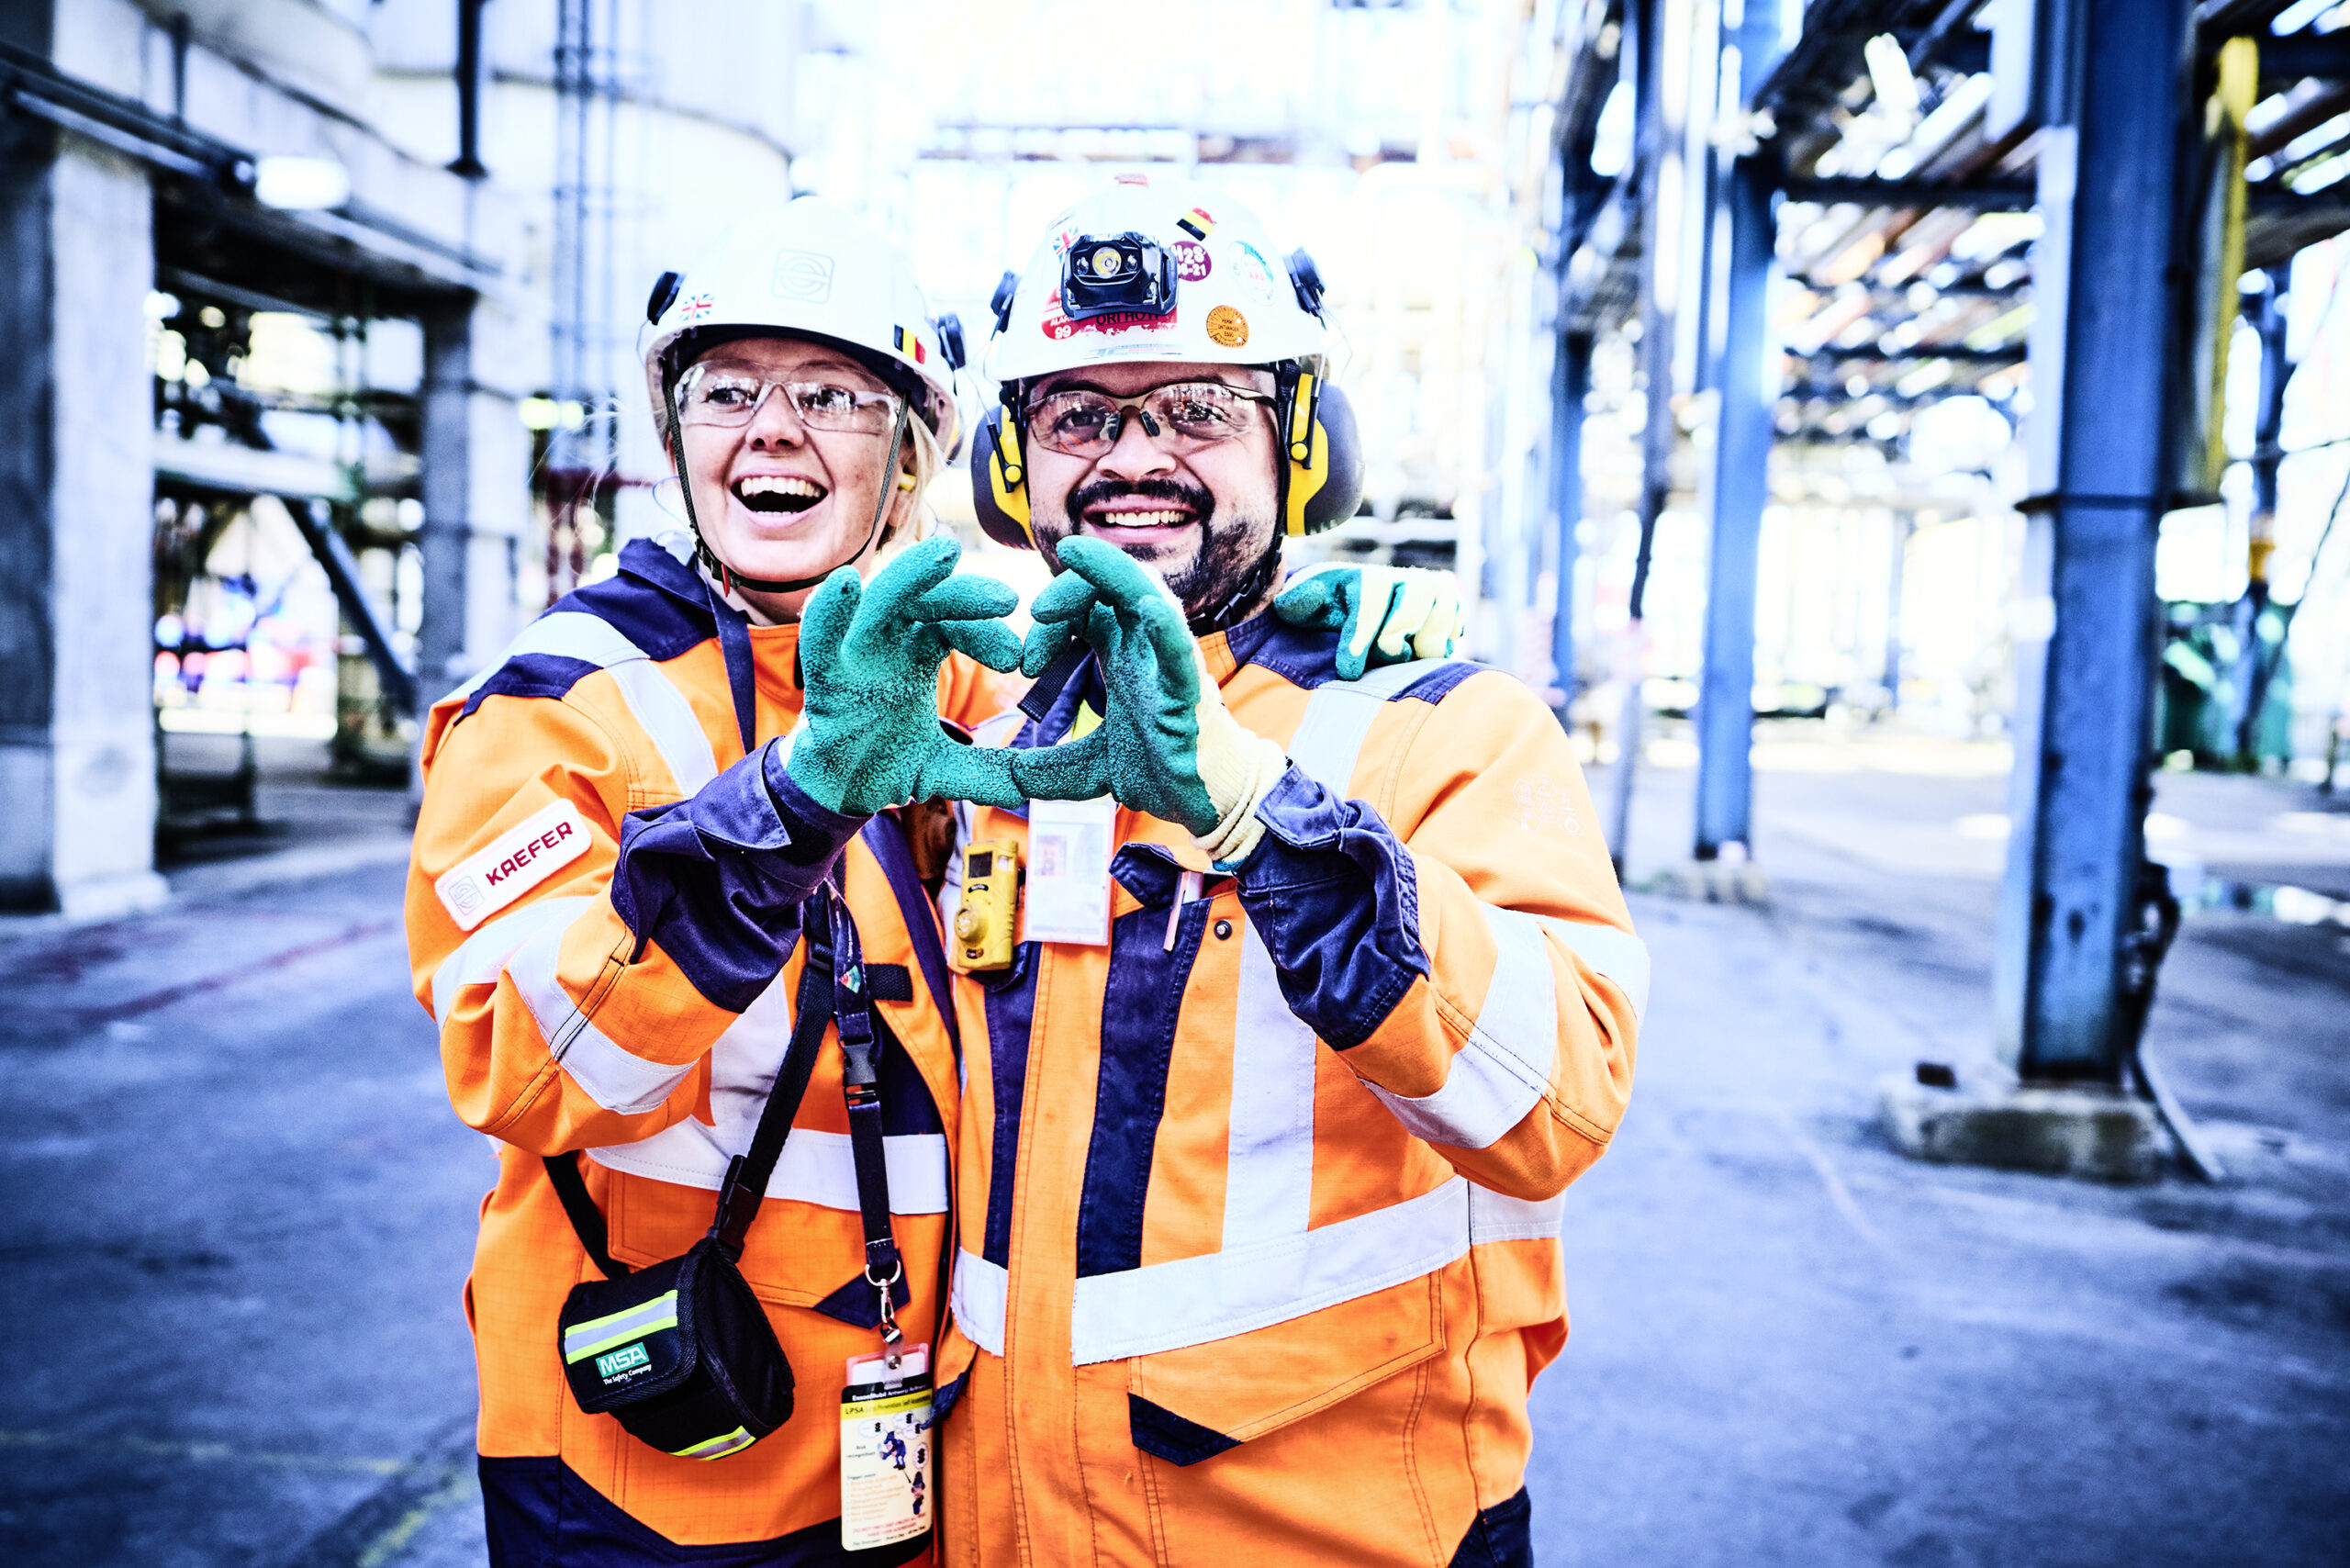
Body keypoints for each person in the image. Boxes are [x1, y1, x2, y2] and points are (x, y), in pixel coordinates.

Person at [405, 195, 1463, 1564]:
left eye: (834, 397)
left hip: (920, 1439)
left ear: (908, 462)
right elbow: (521, 1069)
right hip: (655, 1453)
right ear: (675, 444)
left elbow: (1161, 650)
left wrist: (1316, 618)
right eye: (730, 390)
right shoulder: (555, 707)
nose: (774, 429)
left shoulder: (954, 677)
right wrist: (783, 806)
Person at [928, 177, 1647, 1567]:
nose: (1135, 455)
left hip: (1335, 1531)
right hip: (1007, 1519)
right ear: (1014, 468)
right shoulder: (988, 742)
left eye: (1200, 409)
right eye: (1080, 415)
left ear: (1298, 445)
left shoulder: (1444, 727)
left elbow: (1558, 1100)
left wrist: (1272, 816)